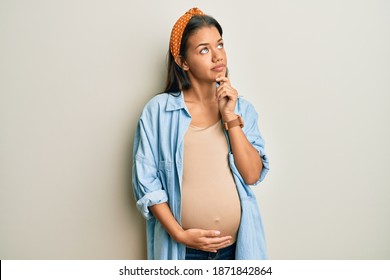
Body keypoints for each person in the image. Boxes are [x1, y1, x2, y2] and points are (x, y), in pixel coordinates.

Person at [132, 7, 270, 260]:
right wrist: (180, 235)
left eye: (220, 45)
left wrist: (230, 118)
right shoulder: (159, 112)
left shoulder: (242, 109)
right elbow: (146, 183)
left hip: (237, 250)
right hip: (184, 252)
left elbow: (251, 175)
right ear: (183, 61)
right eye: (204, 50)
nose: (217, 56)